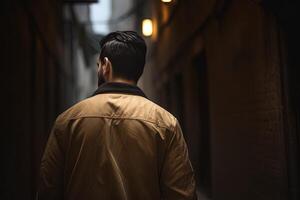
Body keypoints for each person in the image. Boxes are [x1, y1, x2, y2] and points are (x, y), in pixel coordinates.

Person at [37, 31, 196, 200]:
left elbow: (48, 190)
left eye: (98, 64)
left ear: (106, 65)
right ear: (139, 69)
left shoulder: (67, 121)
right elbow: (182, 194)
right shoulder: (166, 123)